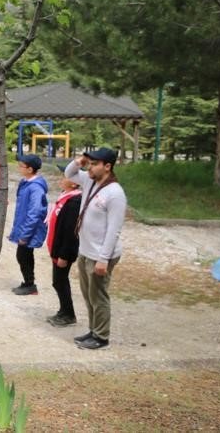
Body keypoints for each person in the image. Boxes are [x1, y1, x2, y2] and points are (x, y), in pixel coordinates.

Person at [64, 147, 127, 350]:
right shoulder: (90, 180)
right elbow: (69, 174)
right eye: (89, 164)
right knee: (88, 294)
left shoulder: (115, 193)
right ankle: (93, 330)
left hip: (101, 254)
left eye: (94, 164)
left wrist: (104, 259)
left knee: (98, 296)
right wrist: (79, 161)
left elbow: (114, 230)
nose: (90, 167)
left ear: (107, 167)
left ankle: (101, 336)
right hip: (86, 250)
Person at [8, 154, 49, 296]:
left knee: (23, 256)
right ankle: (27, 282)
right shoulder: (25, 182)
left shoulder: (36, 188)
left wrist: (25, 235)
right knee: (23, 256)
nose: (19, 168)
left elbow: (34, 212)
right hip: (23, 226)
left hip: (30, 229)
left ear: (30, 169)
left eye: (21, 166)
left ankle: (30, 284)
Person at [46, 178, 82, 327]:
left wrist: (64, 255)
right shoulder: (65, 196)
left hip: (63, 251)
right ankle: (64, 310)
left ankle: (68, 314)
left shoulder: (74, 202)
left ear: (74, 184)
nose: (61, 180)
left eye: (65, 177)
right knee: (58, 281)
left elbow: (70, 231)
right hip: (56, 247)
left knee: (60, 281)